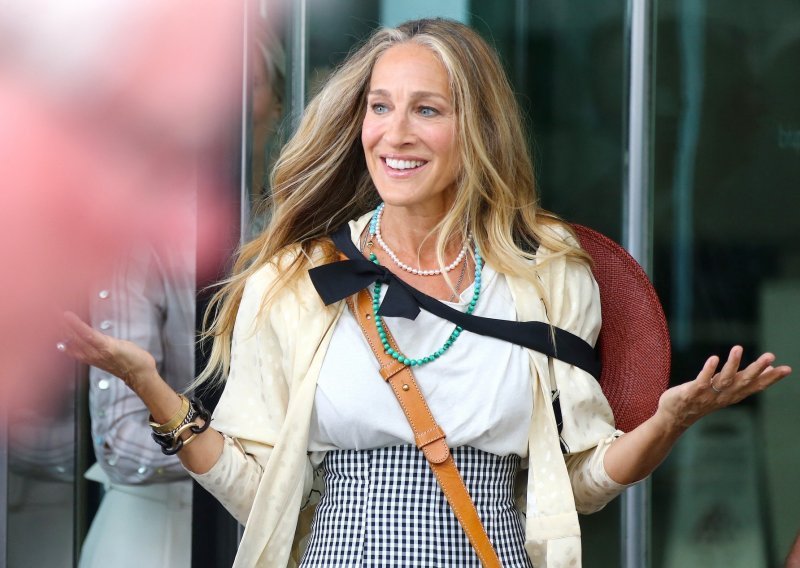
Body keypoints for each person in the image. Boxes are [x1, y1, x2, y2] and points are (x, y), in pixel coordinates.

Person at [60, 18, 792, 568]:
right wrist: (152, 387)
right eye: (380, 107)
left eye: (427, 110)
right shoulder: (295, 278)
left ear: (478, 129)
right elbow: (258, 490)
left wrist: (664, 424)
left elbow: (576, 485)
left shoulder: (547, 274)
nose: (395, 134)